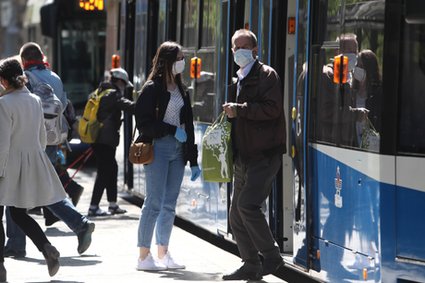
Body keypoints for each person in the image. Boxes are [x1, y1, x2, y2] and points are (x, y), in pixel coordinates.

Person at [4, 42, 95, 258]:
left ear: (23, 60)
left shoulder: (23, 78)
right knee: (45, 188)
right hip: (49, 141)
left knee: (15, 194)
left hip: (25, 145)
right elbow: (62, 106)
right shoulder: (54, 76)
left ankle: (17, 243)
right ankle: (79, 223)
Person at [222, 29, 286, 281]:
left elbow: (272, 109)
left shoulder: (267, 75)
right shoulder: (237, 79)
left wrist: (240, 110)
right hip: (243, 155)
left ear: (255, 50)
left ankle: (271, 256)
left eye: (244, 47)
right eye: (235, 47)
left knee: (248, 205)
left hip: (264, 153)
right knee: (236, 214)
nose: (239, 51)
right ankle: (250, 264)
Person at [135, 41, 201, 271]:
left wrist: (193, 160)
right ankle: (144, 256)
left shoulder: (182, 89)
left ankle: (163, 252)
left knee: (170, 204)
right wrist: (172, 130)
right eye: (180, 57)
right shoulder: (152, 88)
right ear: (168, 60)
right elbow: (143, 123)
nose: (183, 61)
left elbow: (189, 125)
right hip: (159, 148)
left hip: (178, 151)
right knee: (153, 202)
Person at [0, 57, 64, 280]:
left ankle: (0, 268)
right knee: (19, 214)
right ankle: (46, 248)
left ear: (3, 81)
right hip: (30, 162)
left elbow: (2, 143)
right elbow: (42, 139)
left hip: (6, 166)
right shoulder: (35, 100)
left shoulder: (3, 104)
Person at [88, 67, 135, 216]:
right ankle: (93, 207)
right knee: (104, 171)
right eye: (123, 84)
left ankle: (112, 204)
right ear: (120, 81)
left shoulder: (100, 91)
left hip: (99, 138)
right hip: (105, 140)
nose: (123, 87)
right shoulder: (112, 94)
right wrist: (145, 106)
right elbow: (128, 106)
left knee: (112, 168)